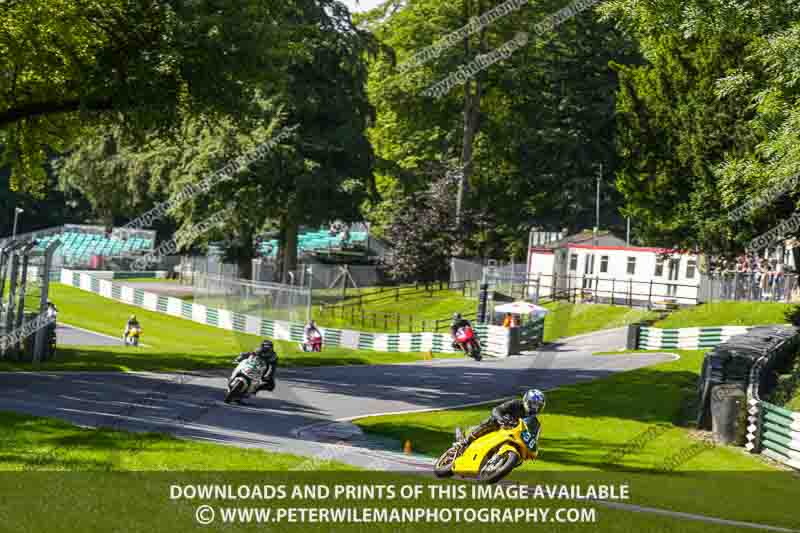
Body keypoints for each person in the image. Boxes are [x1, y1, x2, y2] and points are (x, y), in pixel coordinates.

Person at [456, 389, 545, 451]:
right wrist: (501, 419)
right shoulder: (515, 404)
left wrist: (534, 446)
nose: (535, 408)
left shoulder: (534, 422)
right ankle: (466, 441)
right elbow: (496, 410)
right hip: (501, 425)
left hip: (514, 436)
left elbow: (534, 439)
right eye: (533, 404)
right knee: (492, 421)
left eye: (538, 406)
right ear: (526, 400)